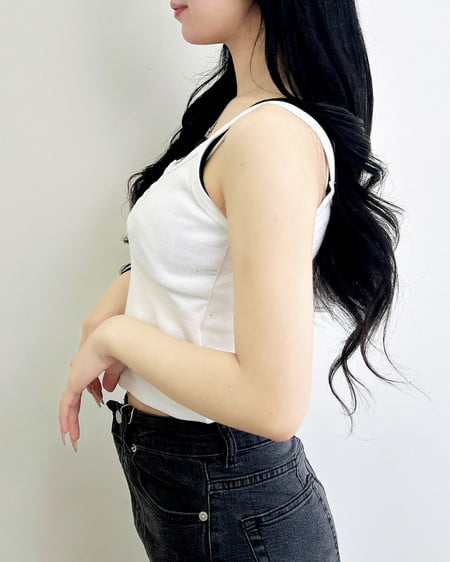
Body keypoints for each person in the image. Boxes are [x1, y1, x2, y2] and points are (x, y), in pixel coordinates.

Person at [59, 1, 407, 560]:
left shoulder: (271, 136)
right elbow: (201, 256)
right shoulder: (236, 117)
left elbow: (273, 405)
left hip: (228, 497)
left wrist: (115, 337)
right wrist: (116, 296)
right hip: (191, 482)